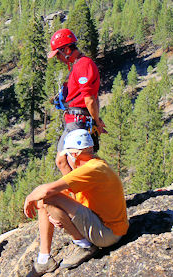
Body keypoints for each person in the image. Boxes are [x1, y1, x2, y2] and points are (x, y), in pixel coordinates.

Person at [23, 129, 129, 277]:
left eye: (67, 156)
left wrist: (29, 198)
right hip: (108, 227)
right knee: (46, 202)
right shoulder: (97, 164)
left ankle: (84, 246)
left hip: (107, 234)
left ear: (74, 155)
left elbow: (47, 190)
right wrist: (57, 214)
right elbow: (71, 196)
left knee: (47, 199)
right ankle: (44, 259)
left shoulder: (91, 170)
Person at [48, 28, 107, 176]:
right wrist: (96, 120)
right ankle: (80, 195)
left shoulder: (83, 65)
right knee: (68, 162)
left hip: (78, 121)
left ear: (67, 50)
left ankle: (81, 196)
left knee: (70, 162)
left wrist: (96, 122)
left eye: (58, 54)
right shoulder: (79, 65)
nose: (58, 58)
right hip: (76, 120)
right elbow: (93, 97)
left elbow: (90, 99)